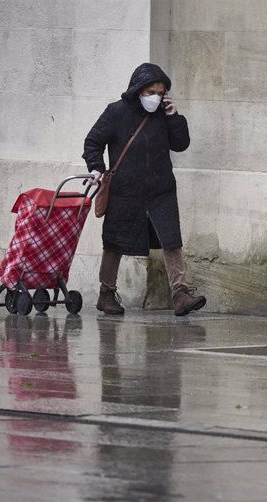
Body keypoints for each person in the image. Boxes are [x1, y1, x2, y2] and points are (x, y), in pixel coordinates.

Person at [82, 63, 206, 317]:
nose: (156, 98)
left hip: (161, 190)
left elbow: (181, 144)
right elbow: (92, 142)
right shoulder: (117, 112)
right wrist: (96, 168)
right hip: (125, 191)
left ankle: (180, 293)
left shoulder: (163, 114)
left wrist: (175, 117)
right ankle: (106, 294)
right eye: (151, 92)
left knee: (171, 240)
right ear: (138, 90)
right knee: (115, 242)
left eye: (161, 93)